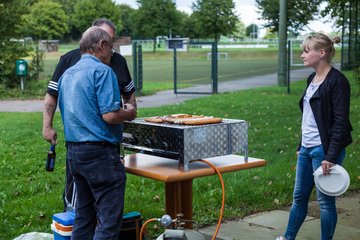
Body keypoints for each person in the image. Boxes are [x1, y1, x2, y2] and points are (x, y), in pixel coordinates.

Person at [42, 18, 136, 210]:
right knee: (83, 202)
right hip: (85, 143)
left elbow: (129, 93)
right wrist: (47, 126)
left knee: (100, 200)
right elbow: (52, 96)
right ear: (96, 39)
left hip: (107, 142)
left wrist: (129, 112)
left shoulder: (117, 61)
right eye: (108, 40)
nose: (111, 47)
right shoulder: (70, 61)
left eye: (112, 39)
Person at [276, 33, 353, 240]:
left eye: (306, 51)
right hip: (307, 149)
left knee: (325, 203)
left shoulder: (337, 82)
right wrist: (302, 144)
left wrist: (330, 155)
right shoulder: (312, 78)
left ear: (321, 53)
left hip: (324, 150)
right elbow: (311, 117)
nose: (302, 55)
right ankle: (287, 238)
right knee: (299, 198)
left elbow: (340, 122)